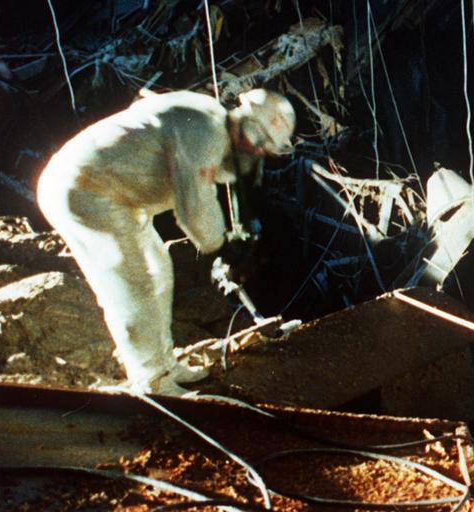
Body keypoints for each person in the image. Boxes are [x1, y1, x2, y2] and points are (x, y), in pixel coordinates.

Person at [37, 88, 296, 396]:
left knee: (159, 271)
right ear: (253, 130)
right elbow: (195, 205)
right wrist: (223, 249)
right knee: (134, 285)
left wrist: (225, 244)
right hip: (84, 191)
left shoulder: (209, 119)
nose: (257, 154)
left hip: (113, 194)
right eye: (260, 147)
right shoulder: (206, 131)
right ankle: (151, 381)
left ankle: (163, 366)